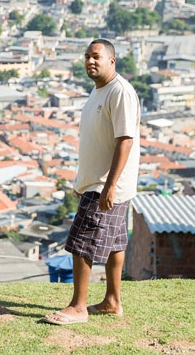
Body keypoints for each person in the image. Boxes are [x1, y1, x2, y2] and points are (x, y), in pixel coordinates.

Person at [42, 39, 141, 325]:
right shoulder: (98, 91)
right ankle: (112, 301)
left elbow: (125, 141)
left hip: (106, 185)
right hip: (96, 182)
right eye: (87, 57)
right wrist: (82, 180)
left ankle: (78, 307)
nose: (90, 62)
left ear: (112, 60)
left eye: (96, 56)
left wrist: (109, 186)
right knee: (114, 244)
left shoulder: (120, 92)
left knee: (80, 244)